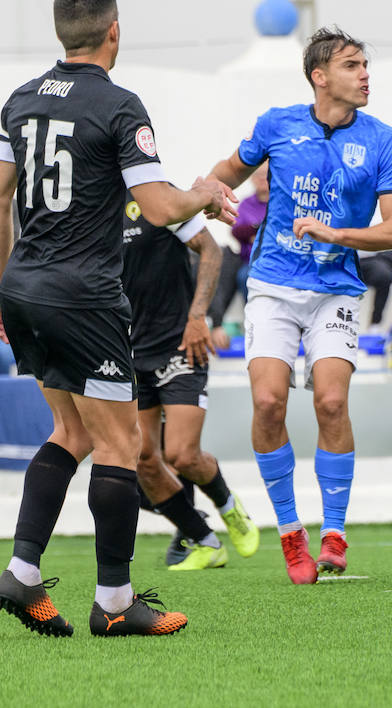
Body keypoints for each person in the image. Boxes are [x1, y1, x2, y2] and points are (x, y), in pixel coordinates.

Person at [0, 0, 235, 637]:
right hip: (83, 296)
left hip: (24, 288)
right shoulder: (120, 104)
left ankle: (24, 571)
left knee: (70, 434)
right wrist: (202, 192)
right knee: (121, 442)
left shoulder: (20, 101)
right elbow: (158, 208)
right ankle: (117, 603)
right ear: (114, 30)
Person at [209, 26, 392, 585]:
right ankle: (291, 531)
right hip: (272, 286)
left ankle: (336, 532)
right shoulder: (277, 124)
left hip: (336, 291)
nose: (365, 74)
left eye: (366, 64)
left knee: (329, 402)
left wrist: (336, 235)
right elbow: (227, 172)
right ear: (319, 77)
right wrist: (205, 196)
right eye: (352, 66)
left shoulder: (383, 140)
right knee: (270, 403)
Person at [120, 190, 259, 570]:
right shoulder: (91, 211)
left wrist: (199, 317)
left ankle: (229, 507)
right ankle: (203, 540)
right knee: (144, 461)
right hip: (130, 352)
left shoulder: (158, 199)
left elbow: (211, 251)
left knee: (182, 454)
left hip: (181, 344)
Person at [209, 162, 270, 333]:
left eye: (265, 175)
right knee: (244, 277)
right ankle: (252, 321)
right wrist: (259, 228)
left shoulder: (278, 202)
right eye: (257, 175)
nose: (261, 180)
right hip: (250, 261)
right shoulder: (246, 203)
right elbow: (237, 230)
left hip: (276, 260)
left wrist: (254, 230)